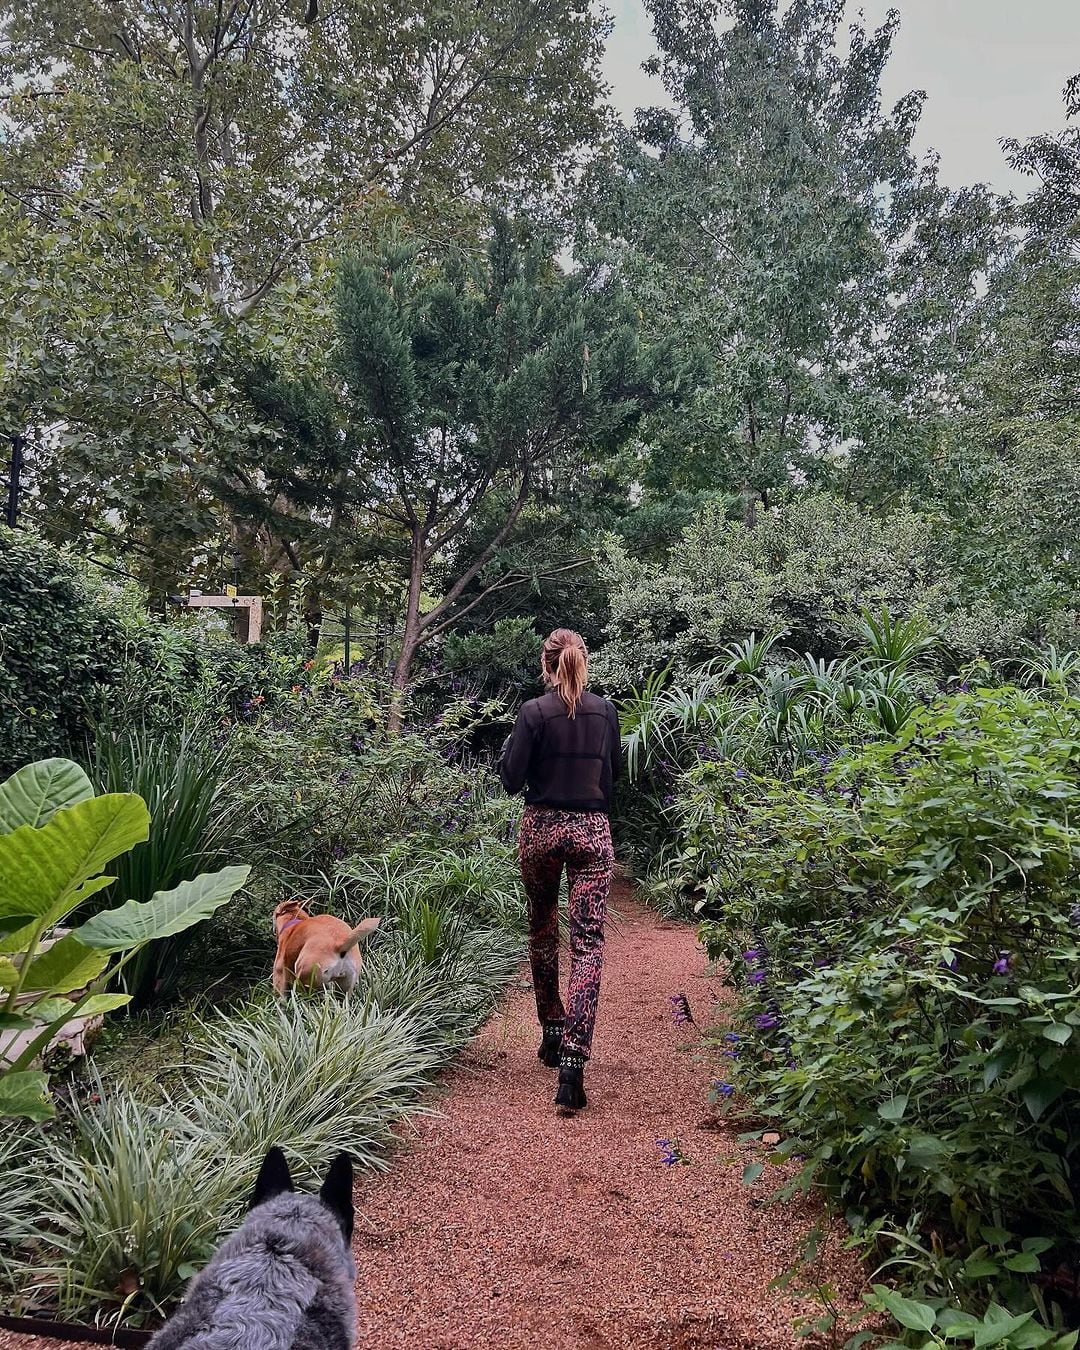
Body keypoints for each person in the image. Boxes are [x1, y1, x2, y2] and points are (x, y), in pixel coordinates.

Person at [499, 628, 621, 1115]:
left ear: (546, 664)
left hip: (542, 829)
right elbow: (611, 777)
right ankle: (574, 1062)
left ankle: (552, 1031)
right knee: (588, 942)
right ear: (582, 661)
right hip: (592, 829)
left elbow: (510, 779)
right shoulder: (606, 711)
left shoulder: (533, 713)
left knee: (543, 928)